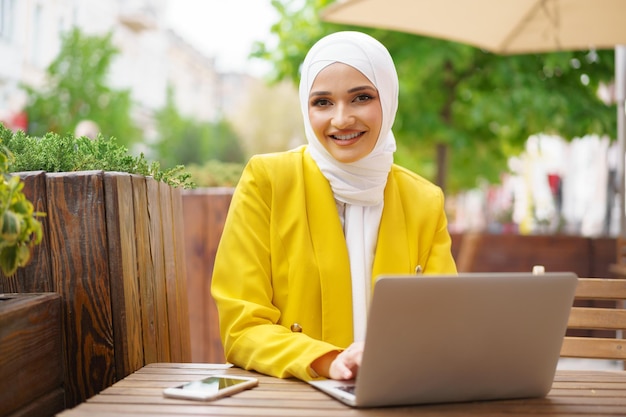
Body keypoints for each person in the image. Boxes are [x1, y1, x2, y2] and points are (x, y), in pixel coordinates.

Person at [211, 31, 457, 382]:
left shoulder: (424, 201)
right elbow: (241, 327)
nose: (341, 119)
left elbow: (445, 324)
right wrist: (329, 361)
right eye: (322, 102)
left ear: (388, 99)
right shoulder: (268, 181)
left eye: (361, 97)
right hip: (298, 399)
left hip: (397, 396)